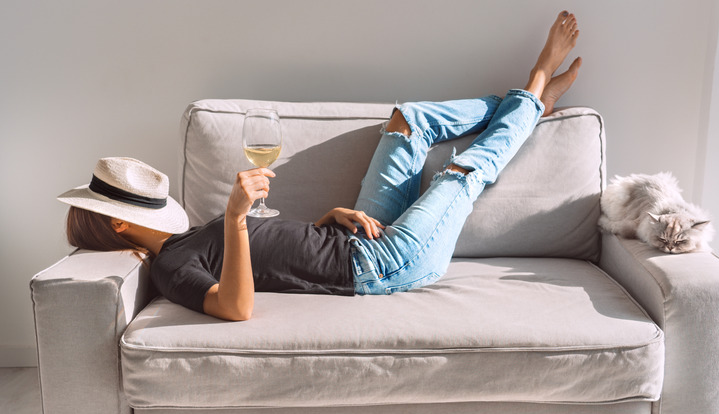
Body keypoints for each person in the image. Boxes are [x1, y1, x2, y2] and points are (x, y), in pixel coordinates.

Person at [59, 11, 581, 321]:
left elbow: (279, 257)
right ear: (121, 224)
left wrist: (323, 221)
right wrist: (236, 218)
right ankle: (535, 83)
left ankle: (527, 109)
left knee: (407, 121)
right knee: (459, 174)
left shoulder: (186, 240)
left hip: (352, 237)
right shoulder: (171, 269)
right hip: (382, 264)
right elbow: (235, 307)